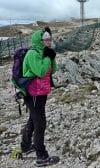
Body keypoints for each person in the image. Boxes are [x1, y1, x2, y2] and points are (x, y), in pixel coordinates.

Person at [20, 26, 59, 167]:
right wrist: (48, 57)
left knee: (33, 119)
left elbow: (53, 70)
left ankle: (25, 146)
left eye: (50, 39)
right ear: (39, 40)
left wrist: (51, 57)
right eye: (46, 39)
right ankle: (41, 157)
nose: (49, 41)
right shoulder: (32, 54)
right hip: (33, 93)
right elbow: (41, 72)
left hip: (41, 92)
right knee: (40, 123)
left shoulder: (43, 53)